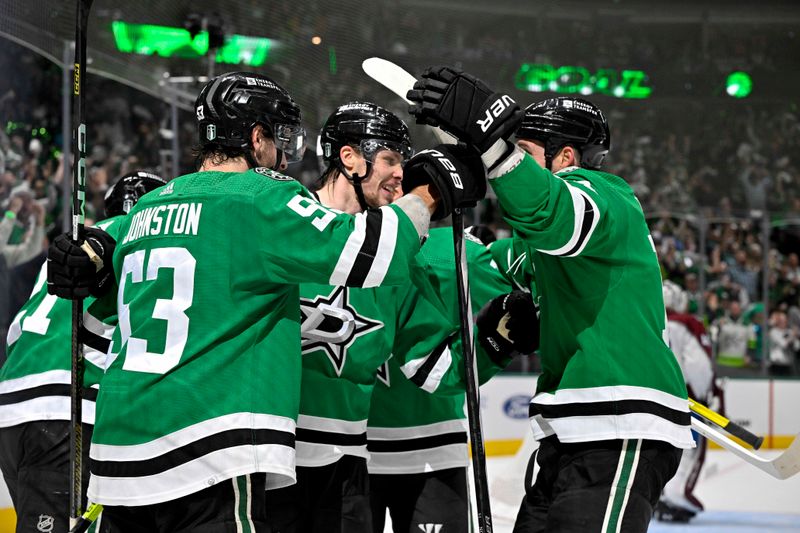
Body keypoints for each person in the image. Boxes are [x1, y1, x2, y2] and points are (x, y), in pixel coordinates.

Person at [45, 72, 484, 532]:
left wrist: (88, 250)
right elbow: (376, 252)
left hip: (118, 453)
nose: (284, 154)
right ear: (256, 138)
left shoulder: (146, 207)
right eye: (279, 138)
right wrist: (427, 195)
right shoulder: (260, 197)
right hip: (209, 444)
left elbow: (96, 319)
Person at [407, 68, 694, 533]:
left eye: (525, 152)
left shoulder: (607, 196)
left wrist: (495, 146)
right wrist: (415, 210)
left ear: (565, 158)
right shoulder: (538, 247)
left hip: (617, 422)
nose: (512, 162)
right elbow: (478, 260)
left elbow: (549, 212)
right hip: (570, 432)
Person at [265, 101, 520, 533]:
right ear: (349, 158)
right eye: (389, 159)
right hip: (270, 462)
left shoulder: (403, 257)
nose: (401, 173)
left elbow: (433, 368)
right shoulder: (276, 226)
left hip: (346, 468)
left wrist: (496, 344)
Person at [0, 171, 165, 533]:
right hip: (67, 404)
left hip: (14, 402)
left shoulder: (74, 243)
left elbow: (18, 333)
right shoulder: (143, 241)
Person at [367, 225, 516, 533]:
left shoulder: (458, 253)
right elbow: (527, 301)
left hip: (369, 445)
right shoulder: (457, 252)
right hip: (349, 450)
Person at [656, 280, 718, 523]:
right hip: (685, 400)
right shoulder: (686, 325)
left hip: (655, 400)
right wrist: (704, 395)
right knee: (688, 451)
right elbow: (698, 367)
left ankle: (659, 495)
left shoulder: (646, 322)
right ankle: (676, 495)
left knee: (660, 450)